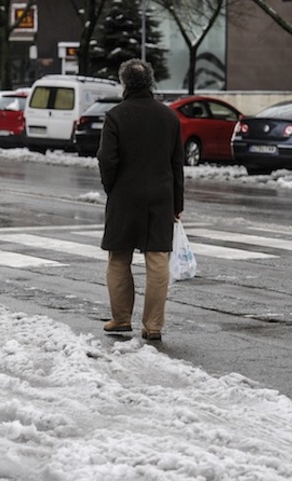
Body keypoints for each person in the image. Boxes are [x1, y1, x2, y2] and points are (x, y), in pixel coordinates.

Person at [97, 59, 184, 342]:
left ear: (124, 84)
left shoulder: (116, 116)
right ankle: (153, 325)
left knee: (119, 258)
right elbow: (177, 163)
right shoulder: (169, 117)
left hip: (124, 195)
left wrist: (112, 187)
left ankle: (121, 319)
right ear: (151, 82)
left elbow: (106, 159)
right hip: (160, 198)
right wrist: (177, 203)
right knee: (158, 261)